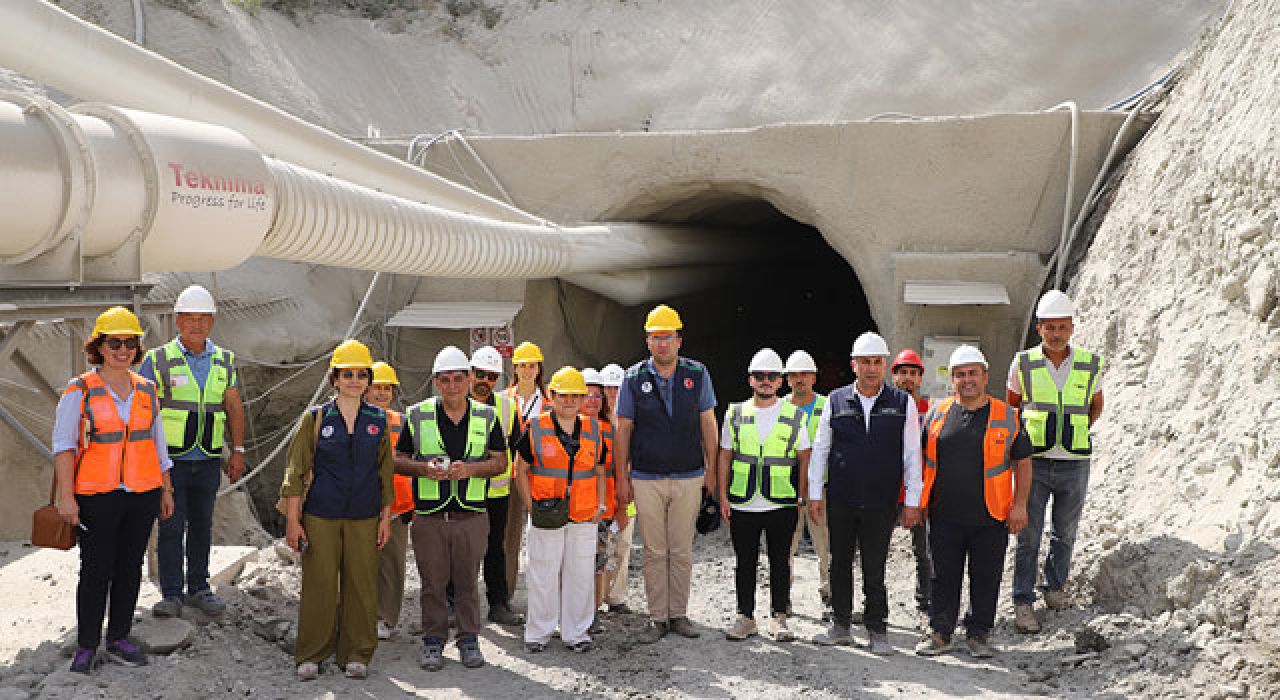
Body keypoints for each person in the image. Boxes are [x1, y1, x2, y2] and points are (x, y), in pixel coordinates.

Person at [54, 307, 175, 674]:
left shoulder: (147, 390)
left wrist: (165, 490)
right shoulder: (79, 391)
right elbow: (64, 446)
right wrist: (67, 497)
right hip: (96, 495)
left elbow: (158, 446)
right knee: (95, 570)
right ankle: (87, 645)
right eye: (115, 342)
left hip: (142, 493)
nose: (123, 349)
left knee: (129, 567)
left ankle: (119, 637)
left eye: (130, 343)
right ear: (100, 347)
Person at [280, 339, 394, 681]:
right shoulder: (315, 419)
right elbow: (295, 471)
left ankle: (357, 653)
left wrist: (385, 518)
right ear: (335, 378)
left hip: (365, 514)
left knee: (361, 585)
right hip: (321, 515)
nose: (355, 381)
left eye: (361, 374)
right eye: (348, 374)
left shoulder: (378, 420)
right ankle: (312, 653)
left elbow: (385, 473)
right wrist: (293, 521)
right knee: (320, 584)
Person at [914, 345, 1032, 659]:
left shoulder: (1007, 416)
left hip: (991, 516)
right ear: (952, 379)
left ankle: (979, 635)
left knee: (986, 577)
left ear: (985, 376)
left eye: (972, 374)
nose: (967, 380)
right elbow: (921, 461)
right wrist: (917, 502)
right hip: (944, 515)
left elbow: (1023, 463)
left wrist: (1020, 505)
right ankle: (940, 632)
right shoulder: (938, 413)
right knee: (942, 576)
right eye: (960, 375)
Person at [394, 346, 507, 672]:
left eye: (459, 378)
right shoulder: (417, 415)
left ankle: (469, 640)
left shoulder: (487, 417)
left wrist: (470, 470)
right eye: (445, 380)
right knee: (432, 582)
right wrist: (423, 469)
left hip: (471, 515)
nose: (453, 385)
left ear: (469, 379)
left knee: (468, 581)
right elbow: (398, 460)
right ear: (436, 382)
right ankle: (433, 642)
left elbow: (500, 462)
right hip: (430, 516)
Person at [809, 332, 921, 655]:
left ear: (884, 365)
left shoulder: (903, 404)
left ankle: (877, 629)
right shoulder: (836, 400)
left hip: (880, 501)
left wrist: (912, 501)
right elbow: (821, 449)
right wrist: (816, 494)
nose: (871, 369)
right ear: (853, 365)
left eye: (877, 362)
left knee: (875, 566)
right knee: (839, 562)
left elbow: (912, 455)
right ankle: (841, 625)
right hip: (842, 499)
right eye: (865, 362)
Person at [613, 304, 718, 643]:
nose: (662, 344)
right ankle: (657, 617)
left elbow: (709, 426)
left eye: (668, 337)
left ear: (678, 340)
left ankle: (679, 615)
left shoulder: (697, 374)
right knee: (655, 551)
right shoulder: (633, 379)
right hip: (646, 477)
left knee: (682, 550)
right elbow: (623, 430)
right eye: (656, 338)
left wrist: (712, 474)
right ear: (648, 341)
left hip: (689, 476)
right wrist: (622, 478)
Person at [140, 285, 245, 618]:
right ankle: (172, 593)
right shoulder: (158, 360)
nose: (196, 325)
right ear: (177, 321)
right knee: (171, 525)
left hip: (209, 459)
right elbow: (146, 413)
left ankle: (199, 587)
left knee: (202, 525)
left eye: (203, 319)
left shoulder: (224, 360)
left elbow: (233, 406)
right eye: (190, 319)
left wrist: (238, 450)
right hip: (171, 462)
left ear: (212, 322)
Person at [1007, 290, 1104, 633]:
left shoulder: (1090, 363)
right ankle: (1022, 600)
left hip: (1074, 461)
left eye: (1062, 327)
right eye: (1050, 327)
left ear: (1072, 328)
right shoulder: (1024, 363)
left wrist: (1074, 431)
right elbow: (1012, 407)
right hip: (1034, 461)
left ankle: (1055, 589)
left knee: (1065, 531)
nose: (1056, 333)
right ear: (1039, 328)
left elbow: (1096, 404)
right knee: (1028, 534)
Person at [514, 367, 608, 653]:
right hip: (546, 514)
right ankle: (538, 632)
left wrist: (600, 505)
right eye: (563, 395)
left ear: (582, 399)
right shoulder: (535, 427)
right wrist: (531, 506)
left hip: (584, 514)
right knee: (542, 573)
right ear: (551, 396)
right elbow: (520, 470)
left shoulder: (593, 429)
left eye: (575, 396)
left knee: (580, 575)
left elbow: (601, 471)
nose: (569, 401)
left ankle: (577, 633)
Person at [720, 349, 811, 642]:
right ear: (750, 380)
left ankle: (779, 618)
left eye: (771, 376)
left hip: (781, 502)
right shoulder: (735, 413)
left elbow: (805, 459)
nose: (766, 381)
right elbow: (725, 457)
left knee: (780, 562)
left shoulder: (795, 416)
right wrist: (721, 496)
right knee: (744, 562)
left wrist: (802, 498)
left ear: (780, 381)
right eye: (760, 376)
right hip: (743, 501)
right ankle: (745, 617)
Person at [470, 345, 524, 626]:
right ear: (469, 373)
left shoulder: (507, 407)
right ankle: (456, 605)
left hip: (496, 493)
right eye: (480, 374)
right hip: (462, 492)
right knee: (462, 550)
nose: (484, 381)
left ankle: (498, 603)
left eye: (491, 377)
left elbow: (520, 447)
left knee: (495, 549)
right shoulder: (454, 403)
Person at [783, 349, 832, 615]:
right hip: (787, 486)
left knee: (824, 541)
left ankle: (828, 591)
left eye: (804, 374)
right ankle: (784, 596)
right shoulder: (779, 408)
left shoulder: (828, 406)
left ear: (813, 377)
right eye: (793, 375)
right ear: (787, 379)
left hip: (820, 487)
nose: (799, 379)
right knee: (786, 544)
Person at [501, 340, 547, 600]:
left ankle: (541, 597)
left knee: (542, 538)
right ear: (514, 368)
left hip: (540, 476)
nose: (528, 370)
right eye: (522, 365)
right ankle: (506, 595)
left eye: (532, 365)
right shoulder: (503, 400)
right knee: (509, 539)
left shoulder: (550, 401)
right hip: (508, 476)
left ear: (539, 368)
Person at [369, 361, 410, 640]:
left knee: (392, 565)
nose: (382, 393)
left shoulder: (404, 423)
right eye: (377, 388)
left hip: (397, 507)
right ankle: (363, 615)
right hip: (364, 506)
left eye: (387, 388)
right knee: (363, 563)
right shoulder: (357, 420)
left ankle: (386, 618)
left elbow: (415, 463)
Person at [891, 348, 933, 614]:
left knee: (925, 552)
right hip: (887, 491)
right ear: (893, 376)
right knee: (873, 552)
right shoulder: (884, 408)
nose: (908, 378)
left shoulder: (931, 410)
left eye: (913, 373)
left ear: (920, 378)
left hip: (922, 493)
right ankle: (871, 602)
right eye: (903, 373)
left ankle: (926, 602)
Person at [580, 368, 621, 633]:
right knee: (573, 564)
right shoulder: (567, 427)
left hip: (602, 508)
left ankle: (592, 614)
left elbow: (619, 471)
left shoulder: (611, 430)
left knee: (597, 564)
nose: (593, 400)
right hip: (573, 508)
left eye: (598, 395)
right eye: (587, 395)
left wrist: (621, 508)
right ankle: (572, 612)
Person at [599, 363, 638, 615]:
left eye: (617, 388)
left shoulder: (633, 420)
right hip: (602, 495)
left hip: (627, 492)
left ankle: (616, 597)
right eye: (608, 388)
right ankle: (598, 596)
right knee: (601, 547)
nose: (613, 393)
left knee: (622, 545)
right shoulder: (594, 421)